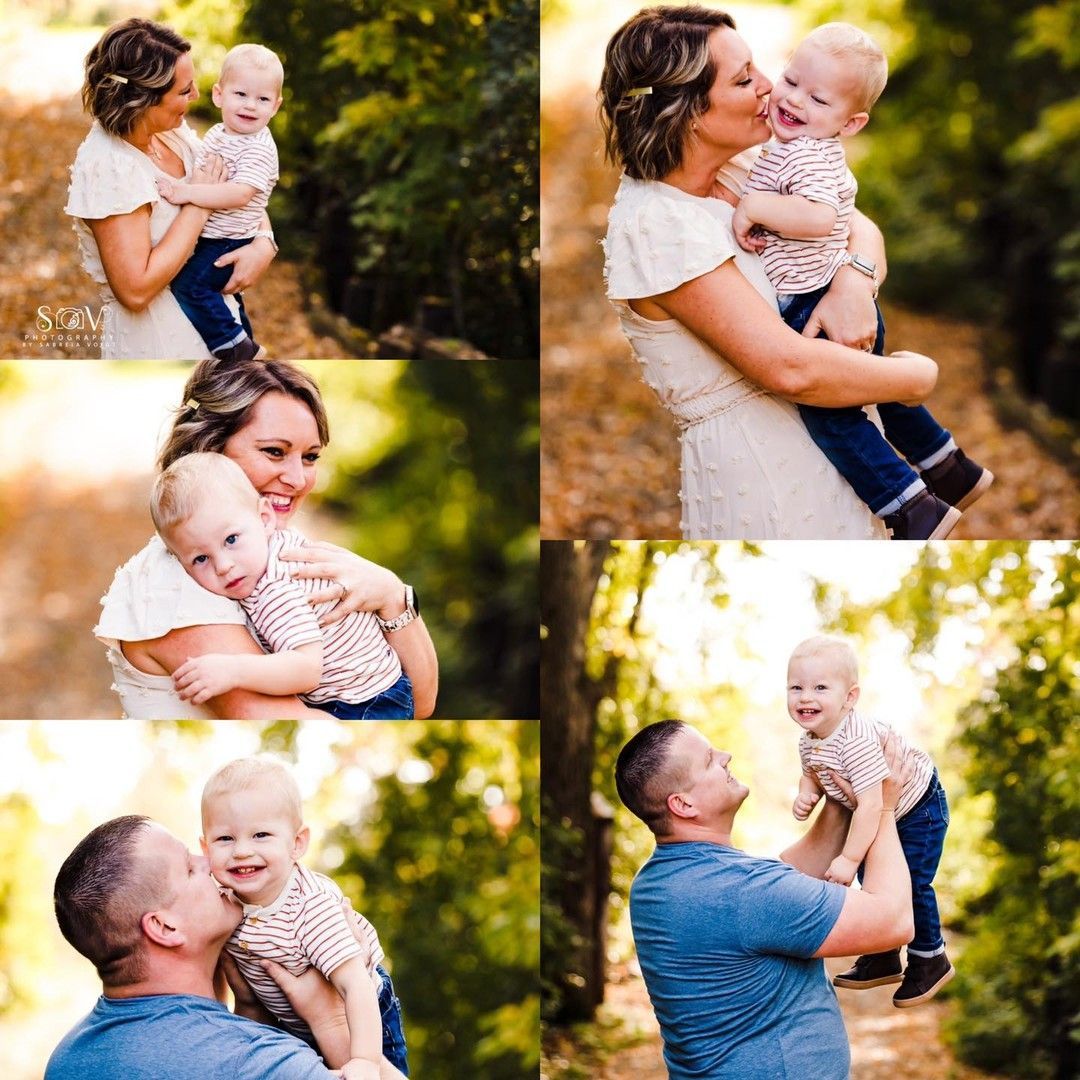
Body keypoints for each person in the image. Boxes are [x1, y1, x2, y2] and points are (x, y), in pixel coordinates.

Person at [599, 6, 941, 540]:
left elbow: (858, 229)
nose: (769, 87)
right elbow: (790, 370)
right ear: (688, 109)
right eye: (742, 79)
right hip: (766, 484)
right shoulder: (656, 226)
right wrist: (917, 378)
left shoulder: (737, 171)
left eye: (759, 67)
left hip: (838, 464)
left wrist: (853, 282)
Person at [733, 23, 993, 539]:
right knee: (879, 391)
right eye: (791, 80)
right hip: (828, 292)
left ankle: (912, 507)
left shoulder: (805, 154)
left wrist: (754, 205)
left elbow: (820, 220)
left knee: (834, 416)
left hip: (814, 305)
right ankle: (948, 465)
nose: (794, 99)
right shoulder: (800, 146)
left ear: (850, 124)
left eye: (818, 98)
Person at [93, 357, 437, 721]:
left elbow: (421, 704)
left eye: (310, 457)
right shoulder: (173, 588)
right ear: (210, 447)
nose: (298, 479)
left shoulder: (271, 550)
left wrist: (391, 594)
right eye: (274, 451)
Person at [614, 718, 913, 1078]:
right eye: (709, 759)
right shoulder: (744, 892)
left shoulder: (654, 884)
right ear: (683, 804)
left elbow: (784, 887)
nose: (726, 757)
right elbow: (894, 920)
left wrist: (845, 792)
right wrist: (881, 807)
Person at [46, 814, 406, 1079]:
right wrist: (328, 1017)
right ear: (164, 926)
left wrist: (249, 1006)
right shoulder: (255, 1062)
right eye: (190, 867)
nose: (213, 863)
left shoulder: (67, 1060)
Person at [64, 18, 277, 359]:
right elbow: (135, 290)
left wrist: (264, 244)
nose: (196, 96)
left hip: (223, 330)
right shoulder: (109, 167)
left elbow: (241, 190)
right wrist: (197, 203)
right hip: (161, 344)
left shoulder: (172, 134)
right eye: (183, 90)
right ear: (143, 99)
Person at [151, 453, 413, 719]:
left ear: (265, 517)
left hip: (364, 702)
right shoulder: (276, 544)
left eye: (231, 540)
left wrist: (232, 670)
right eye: (201, 558)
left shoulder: (274, 591)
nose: (223, 566)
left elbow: (306, 670)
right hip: (384, 681)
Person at [201, 757, 409, 1075]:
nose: (241, 850)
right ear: (205, 849)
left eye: (261, 836)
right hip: (292, 1022)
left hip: (362, 1017)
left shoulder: (309, 909)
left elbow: (355, 986)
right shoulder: (222, 901)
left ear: (297, 843)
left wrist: (364, 1059)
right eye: (225, 839)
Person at [786, 635, 954, 1006]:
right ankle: (883, 955)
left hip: (919, 805)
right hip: (875, 807)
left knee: (909, 881)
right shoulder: (809, 738)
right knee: (873, 875)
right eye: (795, 687)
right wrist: (805, 792)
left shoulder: (854, 740)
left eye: (819, 688)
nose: (805, 697)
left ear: (849, 698)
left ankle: (930, 957)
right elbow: (811, 772)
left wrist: (847, 859)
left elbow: (870, 804)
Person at [156, 43, 284, 362]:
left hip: (228, 238)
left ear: (276, 106)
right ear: (218, 95)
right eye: (241, 94)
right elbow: (205, 173)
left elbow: (239, 193)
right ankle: (244, 335)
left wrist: (184, 193)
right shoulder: (217, 134)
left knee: (190, 286)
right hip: (212, 235)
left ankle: (237, 347)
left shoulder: (259, 148)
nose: (251, 105)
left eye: (263, 99)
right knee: (226, 296)